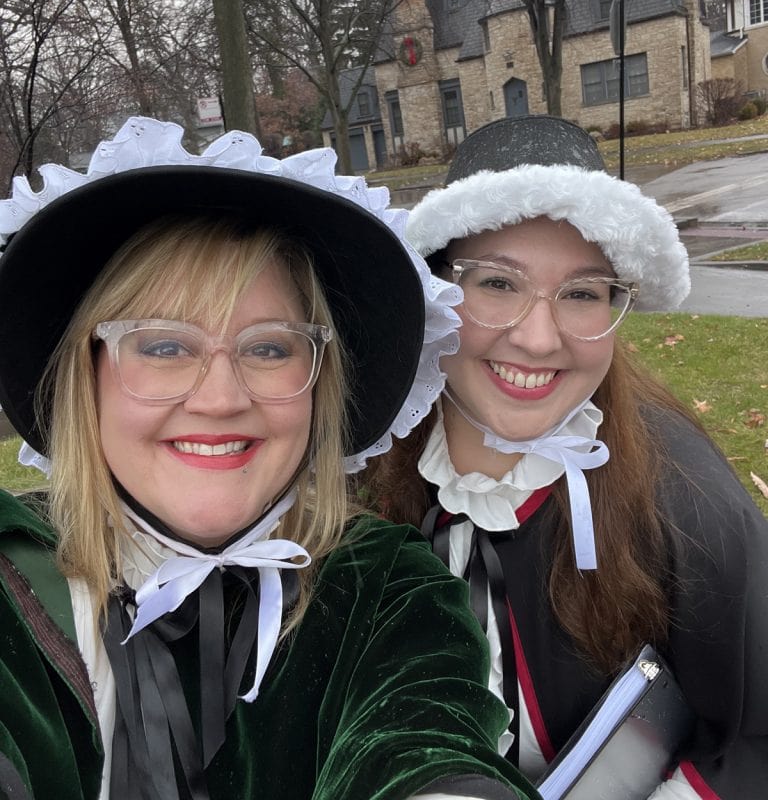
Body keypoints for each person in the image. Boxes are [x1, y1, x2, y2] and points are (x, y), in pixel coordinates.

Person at [0, 117, 540, 800]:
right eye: (164, 347)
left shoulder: (381, 591)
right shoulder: (11, 581)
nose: (221, 398)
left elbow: (423, 738)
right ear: (89, 374)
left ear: (319, 381)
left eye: (269, 348)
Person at [366, 116, 768, 800]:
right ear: (435, 291)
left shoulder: (689, 505)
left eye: (582, 293)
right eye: (496, 283)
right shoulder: (359, 481)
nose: (538, 337)